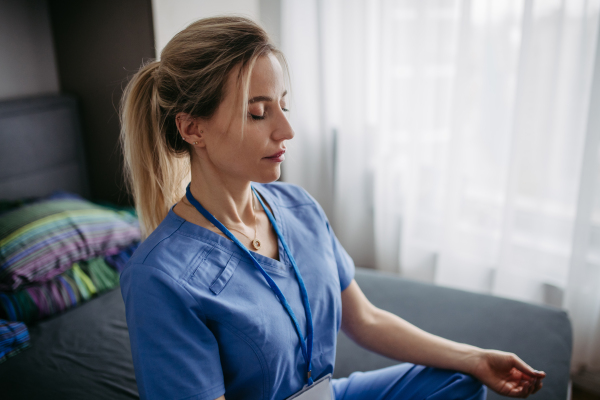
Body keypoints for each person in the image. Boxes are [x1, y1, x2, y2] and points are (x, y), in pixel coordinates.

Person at [119, 16, 546, 400]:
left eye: (283, 105)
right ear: (193, 128)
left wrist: (473, 358)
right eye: (258, 113)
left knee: (460, 381)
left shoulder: (299, 208)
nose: (286, 129)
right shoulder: (160, 278)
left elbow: (367, 321)